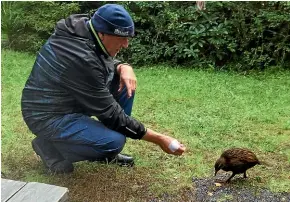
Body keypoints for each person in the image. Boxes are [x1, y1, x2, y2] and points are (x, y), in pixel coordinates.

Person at [21, 3, 186, 174]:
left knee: (126, 86)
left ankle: (104, 147)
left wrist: (123, 66)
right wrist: (159, 139)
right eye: (122, 38)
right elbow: (111, 114)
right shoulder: (79, 57)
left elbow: (99, 59)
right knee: (114, 141)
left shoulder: (86, 30)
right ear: (102, 33)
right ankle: (49, 147)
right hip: (47, 115)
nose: (126, 44)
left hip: (69, 101)